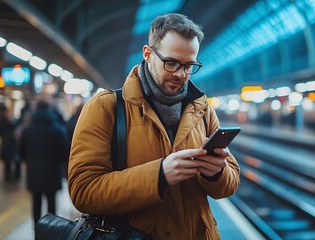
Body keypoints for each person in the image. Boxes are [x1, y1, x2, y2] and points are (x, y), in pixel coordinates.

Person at [68, 13, 240, 239]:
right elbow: (83, 191)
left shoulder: (202, 109)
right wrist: (159, 175)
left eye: (189, 66)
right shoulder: (106, 108)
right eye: (171, 63)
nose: (180, 74)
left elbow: (230, 183)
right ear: (148, 54)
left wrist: (215, 173)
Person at [18, 100, 69, 226]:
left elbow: (21, 153)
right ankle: (51, 229)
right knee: (51, 203)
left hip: (34, 173)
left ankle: (37, 230)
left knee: (36, 202)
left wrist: (31, 161)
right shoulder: (57, 129)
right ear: (49, 110)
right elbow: (64, 153)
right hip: (52, 173)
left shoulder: (27, 130)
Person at [0, 104, 20, 181]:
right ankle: (10, 176)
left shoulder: (4, 119)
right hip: (9, 143)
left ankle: (12, 176)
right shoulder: (6, 119)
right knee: (9, 161)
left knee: (12, 161)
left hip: (9, 143)